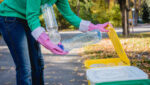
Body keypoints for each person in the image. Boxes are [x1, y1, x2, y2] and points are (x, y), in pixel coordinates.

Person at [0, 0, 111, 85]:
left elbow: (69, 15)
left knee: (38, 64)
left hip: (27, 18)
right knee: (25, 68)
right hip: (10, 17)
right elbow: (32, 16)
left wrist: (95, 27)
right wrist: (47, 42)